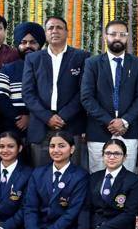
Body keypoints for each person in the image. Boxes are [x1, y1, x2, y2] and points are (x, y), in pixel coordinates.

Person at [22, 16, 89, 167]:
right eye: (50, 28)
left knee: (73, 174)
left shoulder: (81, 57)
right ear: (45, 33)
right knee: (40, 174)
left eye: (59, 27)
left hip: (71, 125)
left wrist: (63, 116)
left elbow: (83, 92)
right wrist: (47, 117)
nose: (54, 31)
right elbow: (27, 93)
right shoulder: (33, 58)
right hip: (41, 126)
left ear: (67, 32)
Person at [81, 20, 138, 173]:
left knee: (127, 177)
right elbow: (86, 97)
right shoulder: (92, 63)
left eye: (122, 34)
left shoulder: (137, 63)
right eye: (113, 34)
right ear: (105, 37)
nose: (117, 38)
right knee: (98, 177)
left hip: (128, 130)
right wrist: (109, 121)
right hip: (99, 131)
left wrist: (124, 121)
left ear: (127, 37)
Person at [0, 22, 43, 137]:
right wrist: (19, 118)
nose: (28, 46)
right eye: (23, 42)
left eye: (33, 42)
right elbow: (0, 96)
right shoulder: (8, 69)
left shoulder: (48, 67)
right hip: (12, 126)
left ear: (40, 44)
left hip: (41, 124)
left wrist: (31, 117)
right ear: (17, 45)